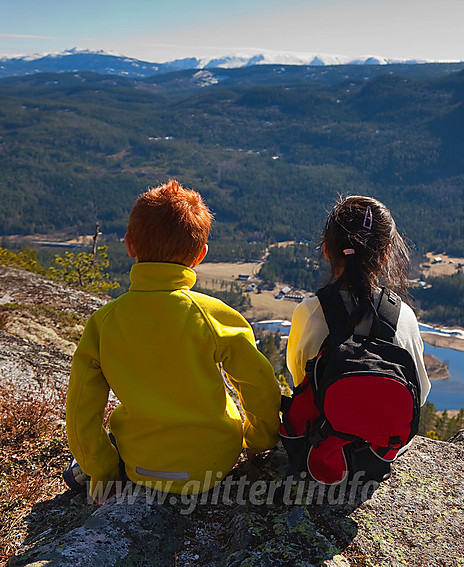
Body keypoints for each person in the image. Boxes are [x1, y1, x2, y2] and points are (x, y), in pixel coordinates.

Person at [66, 180, 281, 501]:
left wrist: (103, 471)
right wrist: (258, 440)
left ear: (129, 245)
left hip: (141, 464)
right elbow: (259, 385)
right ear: (200, 255)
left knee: (75, 474)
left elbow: (81, 408)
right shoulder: (214, 315)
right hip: (214, 463)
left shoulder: (105, 321)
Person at [286, 195, 431, 407]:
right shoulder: (404, 316)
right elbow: (420, 393)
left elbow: (300, 381)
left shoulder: (308, 313)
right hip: (386, 439)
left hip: (325, 436)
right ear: (385, 254)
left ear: (326, 250)